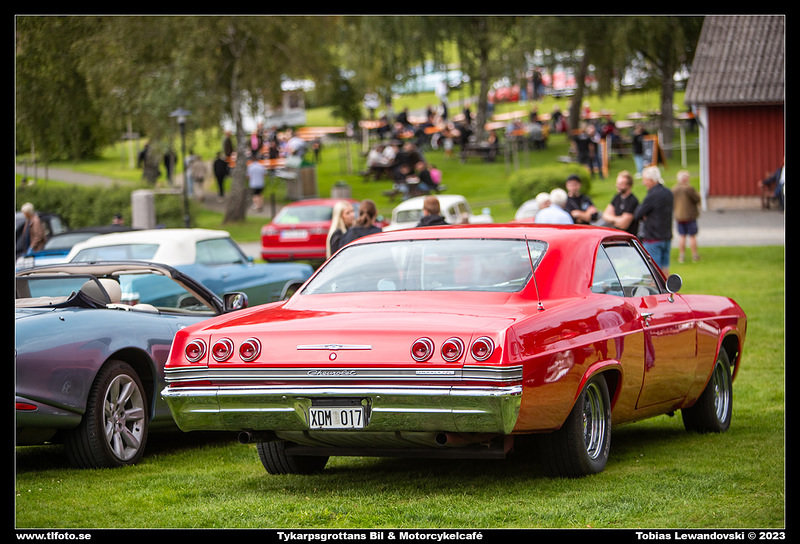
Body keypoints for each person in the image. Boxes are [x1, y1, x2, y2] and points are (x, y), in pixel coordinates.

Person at [634, 166, 674, 275]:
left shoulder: (652, 195)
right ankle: (667, 286)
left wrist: (646, 215)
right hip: (666, 236)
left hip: (653, 238)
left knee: (653, 272)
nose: (644, 183)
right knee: (665, 270)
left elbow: (638, 214)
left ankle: (656, 287)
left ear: (651, 180)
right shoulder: (668, 193)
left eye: (645, 180)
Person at [672, 170, 701, 263]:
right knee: (692, 236)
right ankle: (695, 255)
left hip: (679, 216)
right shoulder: (689, 189)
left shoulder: (674, 189)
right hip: (690, 216)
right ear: (686, 179)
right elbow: (697, 199)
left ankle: (681, 256)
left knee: (682, 236)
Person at [601, 170, 640, 234]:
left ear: (629, 185)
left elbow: (623, 225)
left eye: (621, 184)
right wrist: (617, 219)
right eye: (617, 183)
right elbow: (605, 215)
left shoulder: (632, 201)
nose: (617, 186)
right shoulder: (617, 197)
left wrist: (612, 220)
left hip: (628, 236)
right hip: (616, 234)